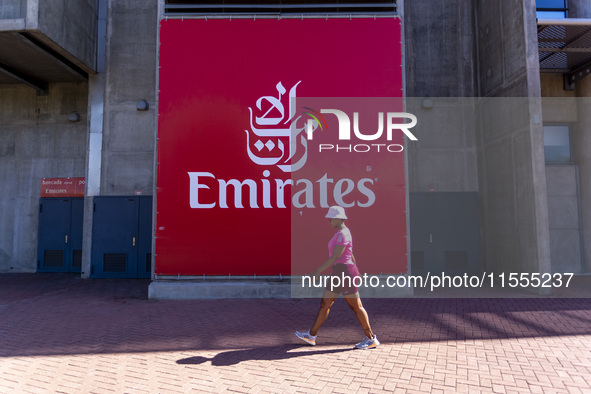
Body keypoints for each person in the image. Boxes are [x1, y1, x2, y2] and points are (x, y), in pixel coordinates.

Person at [295, 206, 379, 349]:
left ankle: (371, 338)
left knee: (356, 307)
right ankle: (311, 335)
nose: (329, 220)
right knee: (325, 304)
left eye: (331, 218)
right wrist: (357, 270)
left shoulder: (344, 234)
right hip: (338, 272)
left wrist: (317, 272)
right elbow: (350, 253)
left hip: (345, 272)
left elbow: (336, 256)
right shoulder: (341, 233)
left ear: (339, 218)